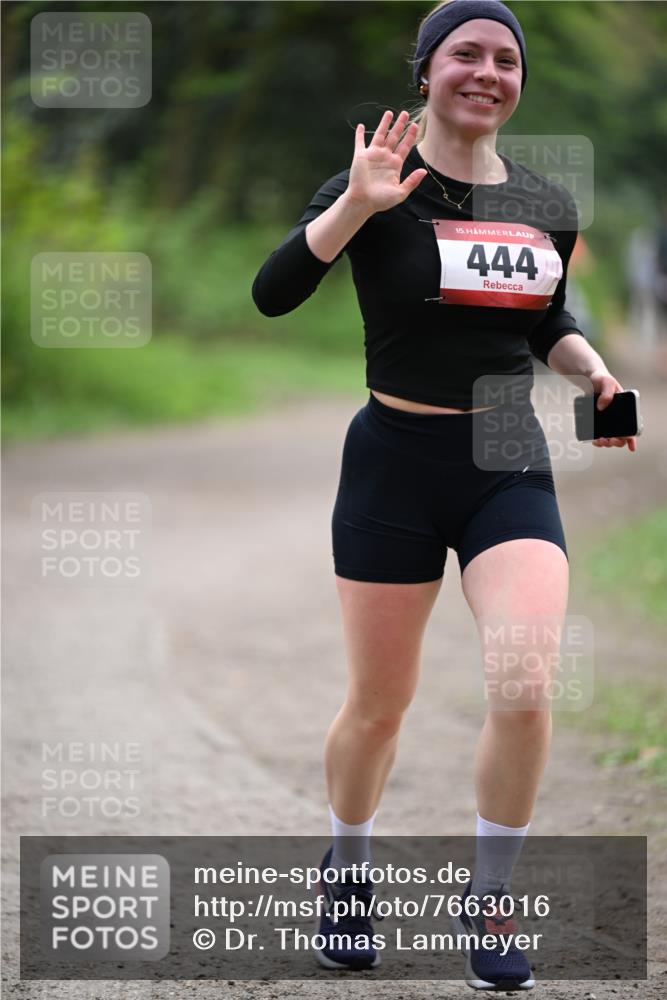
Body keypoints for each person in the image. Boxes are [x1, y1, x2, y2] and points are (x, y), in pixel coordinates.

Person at [252, 0, 637, 990]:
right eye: (465, 52)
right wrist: (356, 208)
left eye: (505, 58)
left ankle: (491, 895)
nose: (487, 70)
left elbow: (544, 314)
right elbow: (274, 291)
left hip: (506, 449)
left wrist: (591, 370)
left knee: (523, 679)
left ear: (517, 83)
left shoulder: (547, 203)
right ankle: (347, 863)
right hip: (392, 455)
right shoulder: (377, 183)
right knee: (380, 706)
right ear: (424, 70)